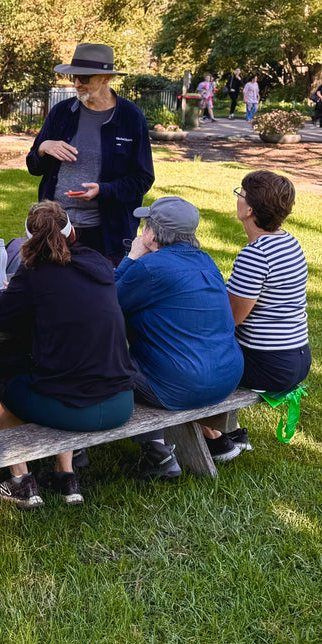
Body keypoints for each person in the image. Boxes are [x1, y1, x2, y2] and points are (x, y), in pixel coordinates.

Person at [0, 201, 136, 507]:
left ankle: (20, 481)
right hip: (121, 401)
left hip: (73, 406)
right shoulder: (101, 265)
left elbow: (1, 319)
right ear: (72, 231)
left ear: (29, 240)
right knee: (65, 367)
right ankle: (65, 475)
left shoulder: (35, 273)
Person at [114, 196, 246, 470]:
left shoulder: (149, 267)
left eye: (146, 225)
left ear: (152, 234)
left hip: (182, 386)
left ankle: (156, 451)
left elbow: (107, 304)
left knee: (109, 361)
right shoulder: (206, 261)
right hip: (226, 378)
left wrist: (131, 257)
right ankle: (214, 438)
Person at [25, 42, 155, 266]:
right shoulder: (62, 113)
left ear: (106, 78)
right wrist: (44, 147)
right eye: (73, 77)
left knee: (99, 296)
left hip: (105, 234)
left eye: (84, 78)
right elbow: (33, 167)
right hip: (56, 229)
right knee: (53, 294)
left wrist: (103, 190)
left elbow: (143, 179)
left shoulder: (130, 118)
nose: (77, 83)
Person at [228, 171, 311, 395]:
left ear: (249, 210)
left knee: (190, 372)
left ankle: (221, 430)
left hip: (267, 365)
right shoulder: (290, 242)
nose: (237, 197)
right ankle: (220, 431)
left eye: (240, 193)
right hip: (298, 358)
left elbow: (232, 318)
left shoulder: (256, 255)